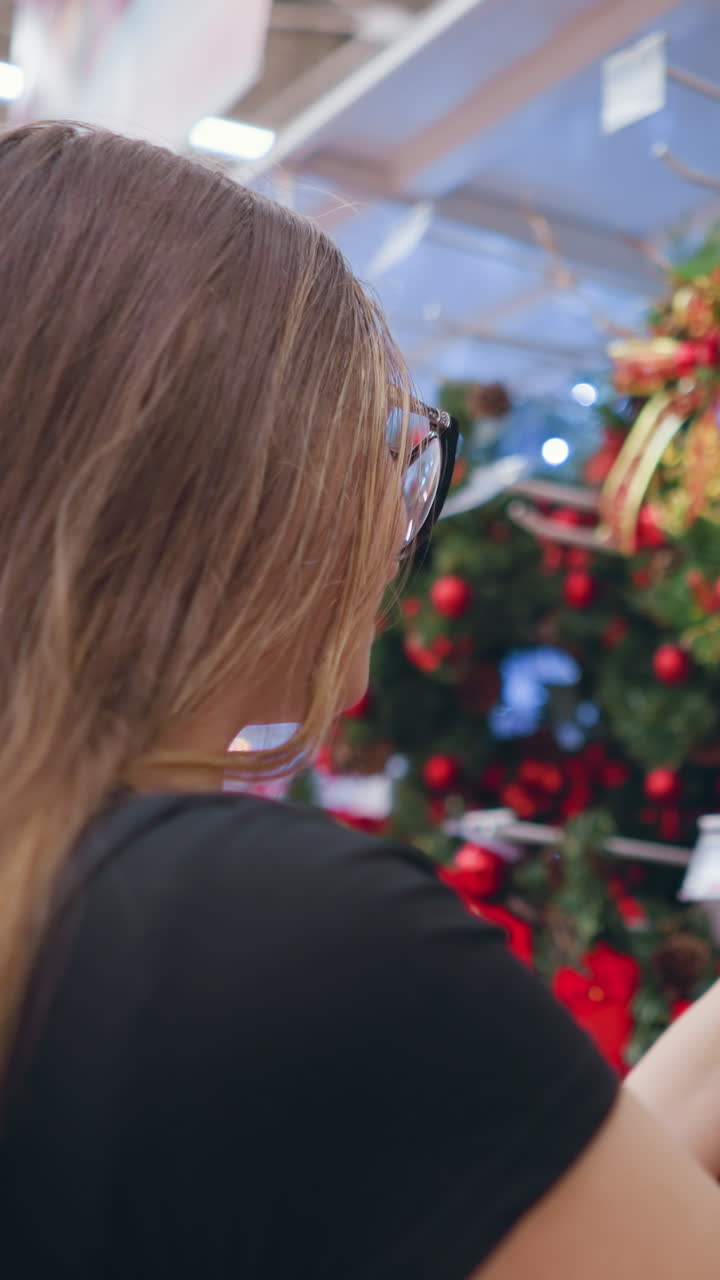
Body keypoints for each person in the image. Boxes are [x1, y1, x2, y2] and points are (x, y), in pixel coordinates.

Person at [0, 121, 718, 1280]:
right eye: (379, 444)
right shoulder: (254, 922)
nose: (394, 522)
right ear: (218, 483)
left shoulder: (90, 925)